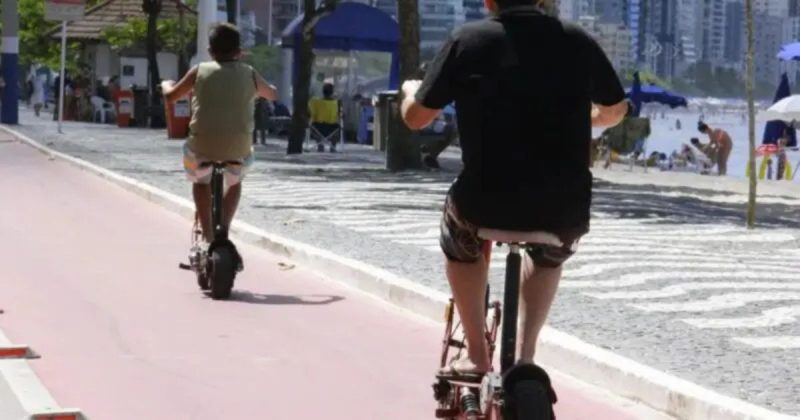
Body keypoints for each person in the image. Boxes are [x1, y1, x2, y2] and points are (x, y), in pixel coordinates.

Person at [400, 0, 627, 387]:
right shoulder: (577, 40)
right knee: (549, 257)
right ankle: (526, 357)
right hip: (564, 210)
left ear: (489, 1)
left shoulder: (467, 40)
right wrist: (593, 117)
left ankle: (475, 354)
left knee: (461, 244)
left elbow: (416, 118)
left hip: (483, 203)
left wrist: (409, 92)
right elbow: (616, 109)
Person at [161, 23, 277, 259]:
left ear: (210, 50)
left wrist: (165, 84)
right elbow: (272, 94)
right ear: (239, 51)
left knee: (201, 181)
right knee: (234, 183)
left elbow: (171, 97)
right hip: (239, 149)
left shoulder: (199, 71)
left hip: (201, 147)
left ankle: (207, 236)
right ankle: (223, 227)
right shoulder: (249, 72)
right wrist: (265, 88)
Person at [309, 83, 342, 152]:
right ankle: (333, 146)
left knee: (313, 126)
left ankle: (320, 145)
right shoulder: (337, 102)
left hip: (318, 127)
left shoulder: (315, 102)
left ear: (323, 91)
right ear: (332, 92)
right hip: (332, 128)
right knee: (338, 127)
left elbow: (311, 113)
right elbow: (340, 114)